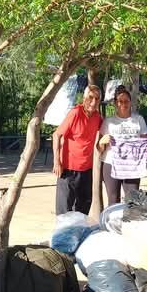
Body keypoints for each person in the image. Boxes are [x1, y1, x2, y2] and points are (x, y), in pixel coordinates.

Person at [96, 85, 147, 205]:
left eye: (126, 101)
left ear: (130, 102)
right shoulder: (108, 122)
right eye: (120, 101)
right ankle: (114, 223)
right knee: (113, 201)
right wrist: (102, 141)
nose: (123, 104)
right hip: (111, 164)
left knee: (133, 201)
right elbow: (99, 149)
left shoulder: (138, 120)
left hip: (132, 166)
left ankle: (130, 223)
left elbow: (144, 146)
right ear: (115, 103)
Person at [52, 85, 102, 215]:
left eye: (97, 98)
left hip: (86, 170)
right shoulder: (75, 113)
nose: (93, 102)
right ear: (84, 98)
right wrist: (57, 162)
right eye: (90, 97)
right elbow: (56, 135)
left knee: (83, 211)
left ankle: (78, 235)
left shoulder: (97, 117)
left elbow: (107, 131)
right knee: (63, 211)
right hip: (68, 170)